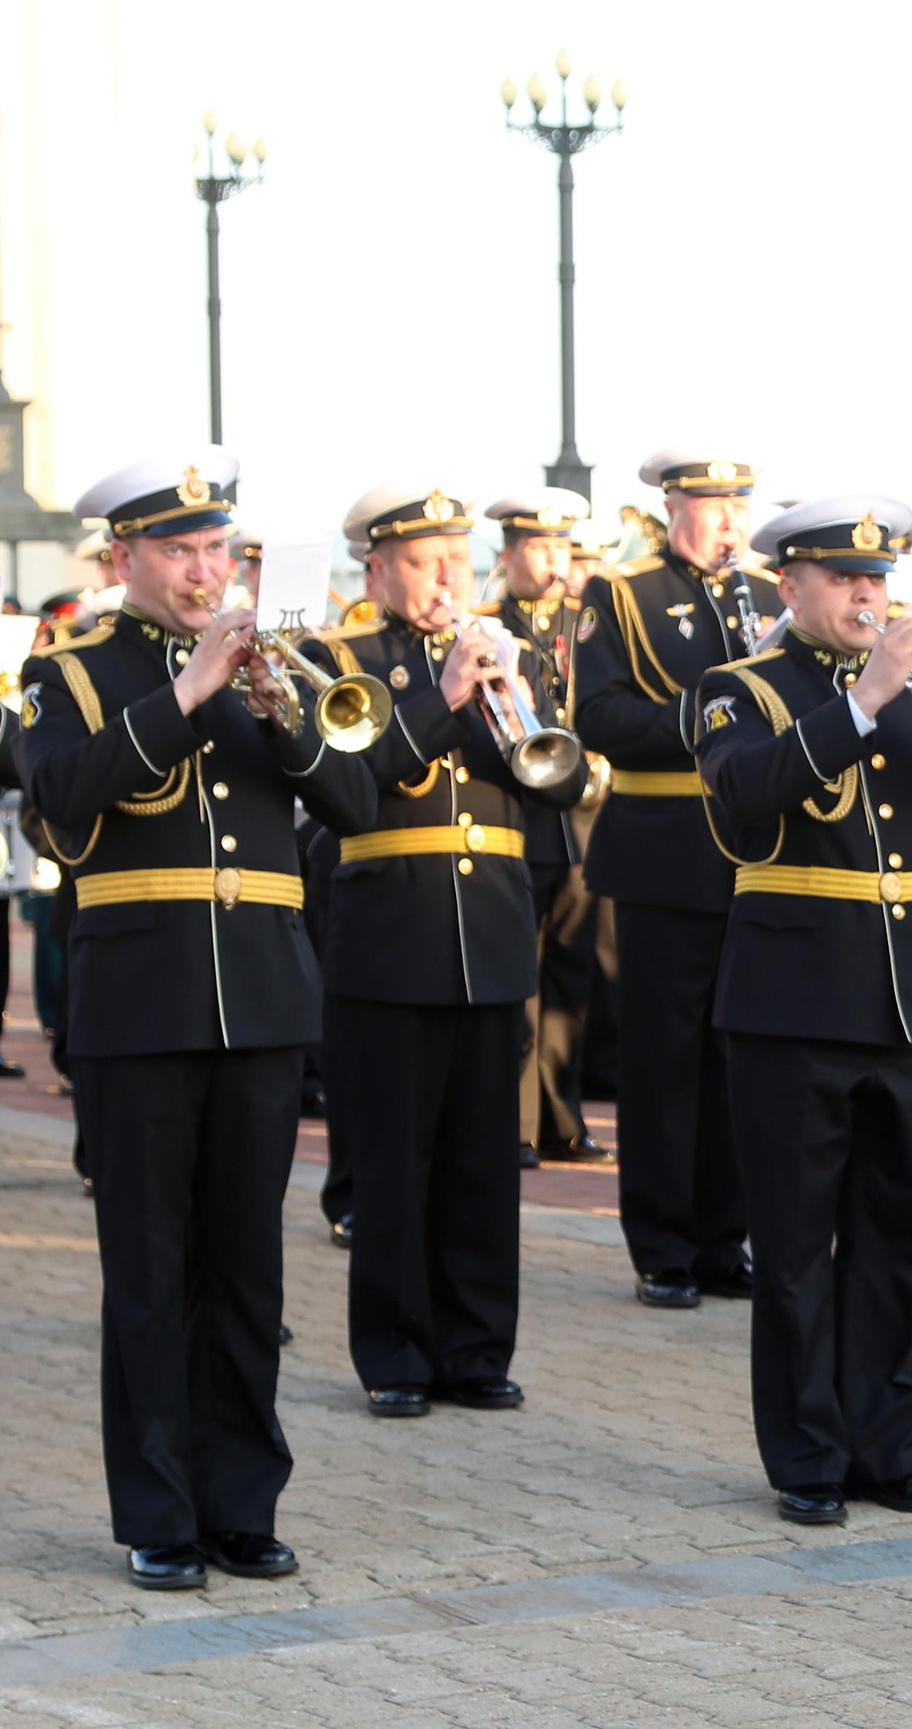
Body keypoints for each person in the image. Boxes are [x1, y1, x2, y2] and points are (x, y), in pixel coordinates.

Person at [24, 451, 373, 1589]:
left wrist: (284, 714)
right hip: (140, 1003)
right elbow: (60, 796)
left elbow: (355, 804)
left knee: (247, 1272)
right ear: (123, 557)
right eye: (178, 551)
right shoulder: (70, 671)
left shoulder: (285, 666)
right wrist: (186, 694)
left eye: (216, 549)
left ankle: (240, 1505)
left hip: (262, 999)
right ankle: (158, 1515)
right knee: (150, 1273)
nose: (203, 571)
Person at [697, 493, 912, 1523]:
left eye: (876, 580)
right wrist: (862, 701)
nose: (865, 597)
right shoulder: (739, 688)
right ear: (790, 586)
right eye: (843, 579)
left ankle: (889, 1447)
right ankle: (807, 1456)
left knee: (897, 1240)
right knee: (796, 1249)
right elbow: (743, 798)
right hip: (793, 1003)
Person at [313, 482, 586, 1416]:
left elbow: (561, 783)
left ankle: (476, 1349)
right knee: (395, 1162)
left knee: (482, 1161)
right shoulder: (342, 659)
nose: (446, 580)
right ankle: (394, 1355)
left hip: (491, 933)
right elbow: (347, 785)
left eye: (456, 562)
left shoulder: (512, 655)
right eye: (425, 563)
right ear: (377, 572)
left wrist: (520, 699)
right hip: (393, 934)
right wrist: (442, 700)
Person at [575, 452, 780, 1309]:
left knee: (739, 1058)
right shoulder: (622, 593)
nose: (730, 522)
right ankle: (662, 1247)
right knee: (663, 1062)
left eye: (738, 506)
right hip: (664, 854)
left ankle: (723, 1241)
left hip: (755, 856)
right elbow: (598, 716)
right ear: (673, 508)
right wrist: (706, 712)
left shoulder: (767, 596)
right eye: (712, 505)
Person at [482, 490, 610, 1170]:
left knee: (570, 975)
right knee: (520, 976)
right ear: (507, 555)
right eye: (537, 546)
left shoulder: (587, 625)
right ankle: (517, 1123)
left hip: (582, 823)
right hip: (522, 821)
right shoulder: (488, 628)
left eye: (561, 545)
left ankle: (563, 1118)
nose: (553, 560)